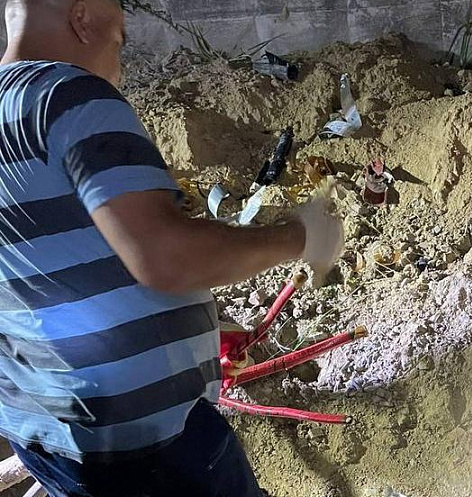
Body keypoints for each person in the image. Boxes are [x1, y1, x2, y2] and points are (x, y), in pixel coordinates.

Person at [0, 0, 344, 495]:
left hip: (45, 433)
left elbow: (49, 262)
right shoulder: (69, 96)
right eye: (119, 40)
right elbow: (165, 255)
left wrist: (195, 330)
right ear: (82, 18)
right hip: (143, 441)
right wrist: (300, 236)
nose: (118, 69)